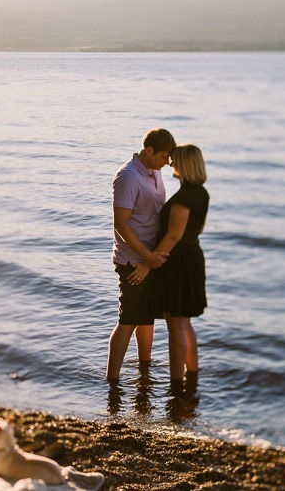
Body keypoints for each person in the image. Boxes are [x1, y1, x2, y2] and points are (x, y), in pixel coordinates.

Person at [128, 144, 209, 388]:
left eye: (174, 160)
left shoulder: (184, 198)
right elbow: (197, 229)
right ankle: (192, 375)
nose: (170, 163)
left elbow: (172, 237)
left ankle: (176, 384)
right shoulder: (201, 193)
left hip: (179, 264)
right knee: (184, 323)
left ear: (184, 164)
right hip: (192, 257)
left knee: (176, 325)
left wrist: (148, 264)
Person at [106, 128, 175, 382]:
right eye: (164, 157)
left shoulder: (154, 170)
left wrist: (154, 257)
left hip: (151, 258)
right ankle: (112, 381)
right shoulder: (127, 177)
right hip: (133, 259)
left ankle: (144, 368)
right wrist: (145, 257)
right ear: (149, 151)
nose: (167, 163)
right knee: (129, 319)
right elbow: (121, 225)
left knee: (146, 317)